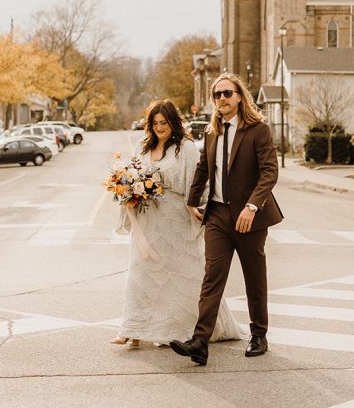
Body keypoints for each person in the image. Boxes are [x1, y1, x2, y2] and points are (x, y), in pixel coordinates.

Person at [170, 73, 283, 366]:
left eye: (227, 93)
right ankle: (200, 342)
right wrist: (193, 200)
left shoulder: (258, 130)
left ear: (239, 96)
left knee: (253, 277)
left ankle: (259, 335)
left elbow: (269, 171)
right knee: (212, 278)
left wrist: (252, 207)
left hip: (249, 218)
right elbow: (204, 170)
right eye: (217, 94)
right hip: (218, 215)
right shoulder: (211, 132)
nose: (222, 98)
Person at [112, 99, 244, 348]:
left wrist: (198, 208)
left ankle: (188, 327)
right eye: (155, 123)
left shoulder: (186, 148)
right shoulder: (142, 147)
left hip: (175, 221)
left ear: (173, 122)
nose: (159, 127)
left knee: (181, 276)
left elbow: (197, 185)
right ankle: (133, 329)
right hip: (147, 220)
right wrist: (129, 189)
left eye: (164, 122)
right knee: (140, 272)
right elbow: (132, 174)